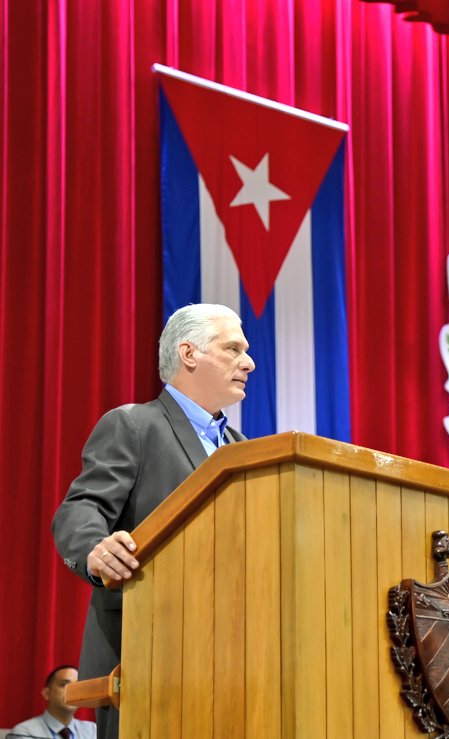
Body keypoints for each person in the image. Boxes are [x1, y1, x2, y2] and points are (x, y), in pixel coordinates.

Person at [51, 304, 255, 739]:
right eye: (233, 348)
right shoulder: (135, 426)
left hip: (237, 661)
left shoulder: (247, 450)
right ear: (189, 353)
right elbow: (81, 508)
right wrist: (94, 549)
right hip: (145, 657)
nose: (249, 362)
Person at [10, 664, 97, 739]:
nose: (72, 691)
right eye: (64, 684)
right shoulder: (25, 732)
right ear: (47, 693)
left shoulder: (92, 731)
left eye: (77, 686)